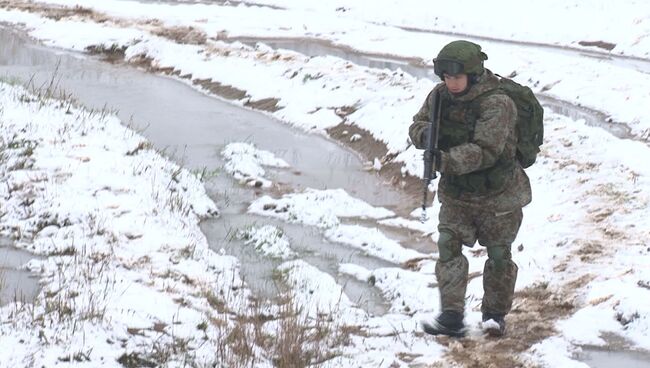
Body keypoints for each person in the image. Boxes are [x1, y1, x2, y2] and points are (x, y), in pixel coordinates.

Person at [408, 40, 532, 337]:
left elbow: (486, 150)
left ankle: (494, 315)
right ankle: (451, 317)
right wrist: (426, 135)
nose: (450, 83)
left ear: (473, 74)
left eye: (456, 77)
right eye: (446, 77)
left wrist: (445, 160)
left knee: (499, 255)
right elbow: (417, 124)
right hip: (458, 194)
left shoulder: (497, 103)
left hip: (499, 194)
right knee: (448, 246)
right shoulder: (440, 96)